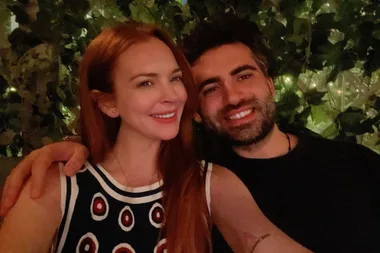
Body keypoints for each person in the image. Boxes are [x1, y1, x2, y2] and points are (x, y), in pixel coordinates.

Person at [2, 12, 380, 252]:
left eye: (174, 80)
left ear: (270, 81)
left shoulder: (211, 183)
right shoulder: (59, 186)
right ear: (107, 102)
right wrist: (71, 148)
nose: (170, 96)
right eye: (146, 83)